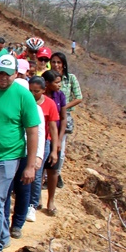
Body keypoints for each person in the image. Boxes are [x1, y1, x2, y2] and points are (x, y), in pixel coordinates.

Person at [0, 54, 40, 252]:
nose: (3, 77)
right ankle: (2, 236)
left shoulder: (24, 96)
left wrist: (30, 165)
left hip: (8, 155)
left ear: (16, 74)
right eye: (0, 73)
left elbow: (32, 131)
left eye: (8, 74)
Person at [26, 76, 59, 223]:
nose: (33, 94)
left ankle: (32, 204)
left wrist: (54, 149)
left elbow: (53, 127)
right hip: (24, 140)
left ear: (44, 90)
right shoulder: (25, 100)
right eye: (30, 91)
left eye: (36, 91)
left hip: (41, 142)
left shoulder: (49, 104)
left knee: (37, 173)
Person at [52, 51, 82, 185]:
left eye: (59, 62)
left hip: (63, 116)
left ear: (63, 64)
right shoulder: (47, 76)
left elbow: (78, 97)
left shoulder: (70, 78)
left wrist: (63, 107)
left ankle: (56, 174)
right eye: (53, 62)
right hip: (49, 115)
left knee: (60, 146)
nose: (56, 65)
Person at [41, 70, 67, 214]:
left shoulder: (60, 95)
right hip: (41, 136)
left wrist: (59, 140)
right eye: (56, 82)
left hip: (54, 136)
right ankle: (37, 198)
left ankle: (51, 200)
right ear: (47, 83)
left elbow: (63, 118)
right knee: (39, 169)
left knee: (53, 169)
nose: (59, 85)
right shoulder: (39, 95)